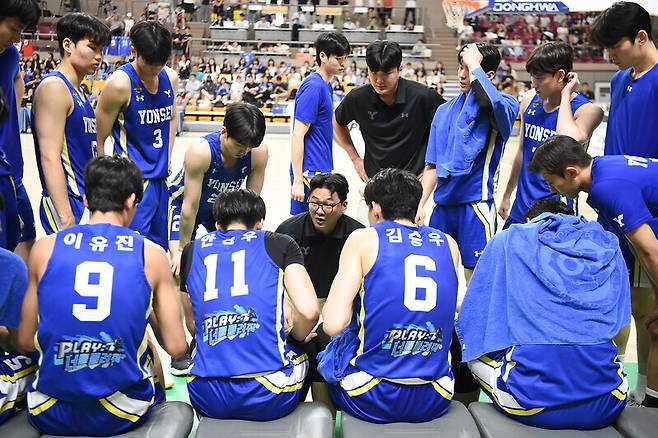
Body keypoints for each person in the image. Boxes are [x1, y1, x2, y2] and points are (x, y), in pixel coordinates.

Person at [16, 156, 187, 435]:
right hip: (120, 412)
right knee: (147, 348)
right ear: (131, 200)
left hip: (48, 409)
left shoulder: (45, 248)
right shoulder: (151, 254)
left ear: (86, 200)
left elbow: (25, 340)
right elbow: (178, 347)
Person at [457, 194, 629, 428]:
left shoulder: (511, 238)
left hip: (531, 405)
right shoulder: (605, 244)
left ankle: (463, 426)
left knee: (468, 349)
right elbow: (621, 320)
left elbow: (475, 319)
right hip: (608, 402)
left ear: (529, 222)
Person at [320, 168, 460, 423]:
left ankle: (327, 425)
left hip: (372, 395)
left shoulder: (364, 238)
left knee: (327, 348)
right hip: (435, 396)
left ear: (376, 208)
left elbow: (332, 324)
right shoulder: (448, 243)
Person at [529, 135, 658, 408]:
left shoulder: (607, 187)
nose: (552, 190)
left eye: (552, 182)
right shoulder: (600, 170)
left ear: (571, 172)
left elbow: (649, 250)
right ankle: (648, 398)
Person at [179, 189, 319, 420]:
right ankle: (291, 420)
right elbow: (310, 312)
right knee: (309, 345)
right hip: (268, 394)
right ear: (260, 222)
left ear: (217, 224)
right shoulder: (279, 243)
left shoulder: (192, 250)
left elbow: (193, 325)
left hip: (206, 396)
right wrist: (294, 337)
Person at [590, 1, 658, 404]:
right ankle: (613, 378)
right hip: (611, 208)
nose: (608, 55)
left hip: (647, 209)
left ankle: (646, 386)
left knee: (647, 308)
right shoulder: (619, 81)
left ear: (641, 37)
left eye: (614, 46)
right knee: (616, 299)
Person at [167, 103, 268, 373]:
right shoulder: (200, 152)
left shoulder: (257, 152)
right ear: (224, 132)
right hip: (186, 206)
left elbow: (250, 205)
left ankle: (223, 332)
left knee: (230, 267)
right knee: (180, 272)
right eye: (240, 145)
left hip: (222, 210)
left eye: (249, 146)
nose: (244, 151)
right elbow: (189, 207)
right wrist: (181, 250)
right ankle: (184, 343)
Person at [418, 43, 518, 280]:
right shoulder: (443, 111)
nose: (462, 75)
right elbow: (432, 166)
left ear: (488, 75)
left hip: (476, 207)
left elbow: (489, 103)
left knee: (476, 281)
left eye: (468, 69)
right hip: (442, 207)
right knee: (437, 278)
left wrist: (475, 65)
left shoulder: (506, 104)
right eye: (460, 67)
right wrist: (419, 204)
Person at [276, 172, 364, 404]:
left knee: (326, 342)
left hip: (338, 302)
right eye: (314, 203)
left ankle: (325, 412)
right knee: (300, 344)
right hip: (298, 301)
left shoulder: (357, 235)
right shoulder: (288, 231)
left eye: (328, 205)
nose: (320, 211)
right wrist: (288, 312)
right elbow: (276, 280)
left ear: (344, 205)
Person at [498, 42, 603, 228]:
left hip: (557, 213)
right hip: (521, 207)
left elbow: (566, 140)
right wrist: (507, 195)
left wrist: (566, 94)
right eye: (532, 77)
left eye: (539, 78)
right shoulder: (529, 99)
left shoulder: (587, 111)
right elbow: (522, 151)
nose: (533, 83)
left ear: (560, 75)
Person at [96, 20, 178, 250]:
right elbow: (98, 137)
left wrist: (168, 156)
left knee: (158, 250)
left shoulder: (170, 77)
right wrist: (104, 182)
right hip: (132, 181)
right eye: (150, 64)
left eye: (161, 64)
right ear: (134, 51)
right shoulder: (119, 84)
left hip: (160, 181)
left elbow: (172, 118)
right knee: (129, 249)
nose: (155, 70)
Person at [32, 13, 111, 235]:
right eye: (92, 48)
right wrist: (66, 218)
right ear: (68, 45)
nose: (99, 57)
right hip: (68, 204)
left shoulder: (80, 92)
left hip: (86, 202)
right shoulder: (55, 88)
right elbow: (50, 156)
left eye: (101, 50)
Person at [333, 41, 445, 182]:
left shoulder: (423, 96)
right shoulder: (357, 98)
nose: (379, 81)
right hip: (374, 180)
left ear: (400, 69)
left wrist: (433, 164)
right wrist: (355, 158)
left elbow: (450, 125)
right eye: (374, 73)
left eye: (387, 73)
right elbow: (337, 122)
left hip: (414, 182)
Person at [290, 32, 350, 214]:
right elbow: (298, 134)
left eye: (345, 58)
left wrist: (352, 154)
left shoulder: (326, 86)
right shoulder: (313, 87)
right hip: (309, 170)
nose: (343, 64)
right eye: (338, 58)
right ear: (322, 56)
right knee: (304, 223)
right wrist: (298, 180)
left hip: (321, 167)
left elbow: (329, 128)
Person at [0, 0, 40, 253]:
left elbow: (16, 78)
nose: (17, 39)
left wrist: (10, 114)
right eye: (14, 29)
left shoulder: (10, 55)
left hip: (11, 169)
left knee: (25, 244)